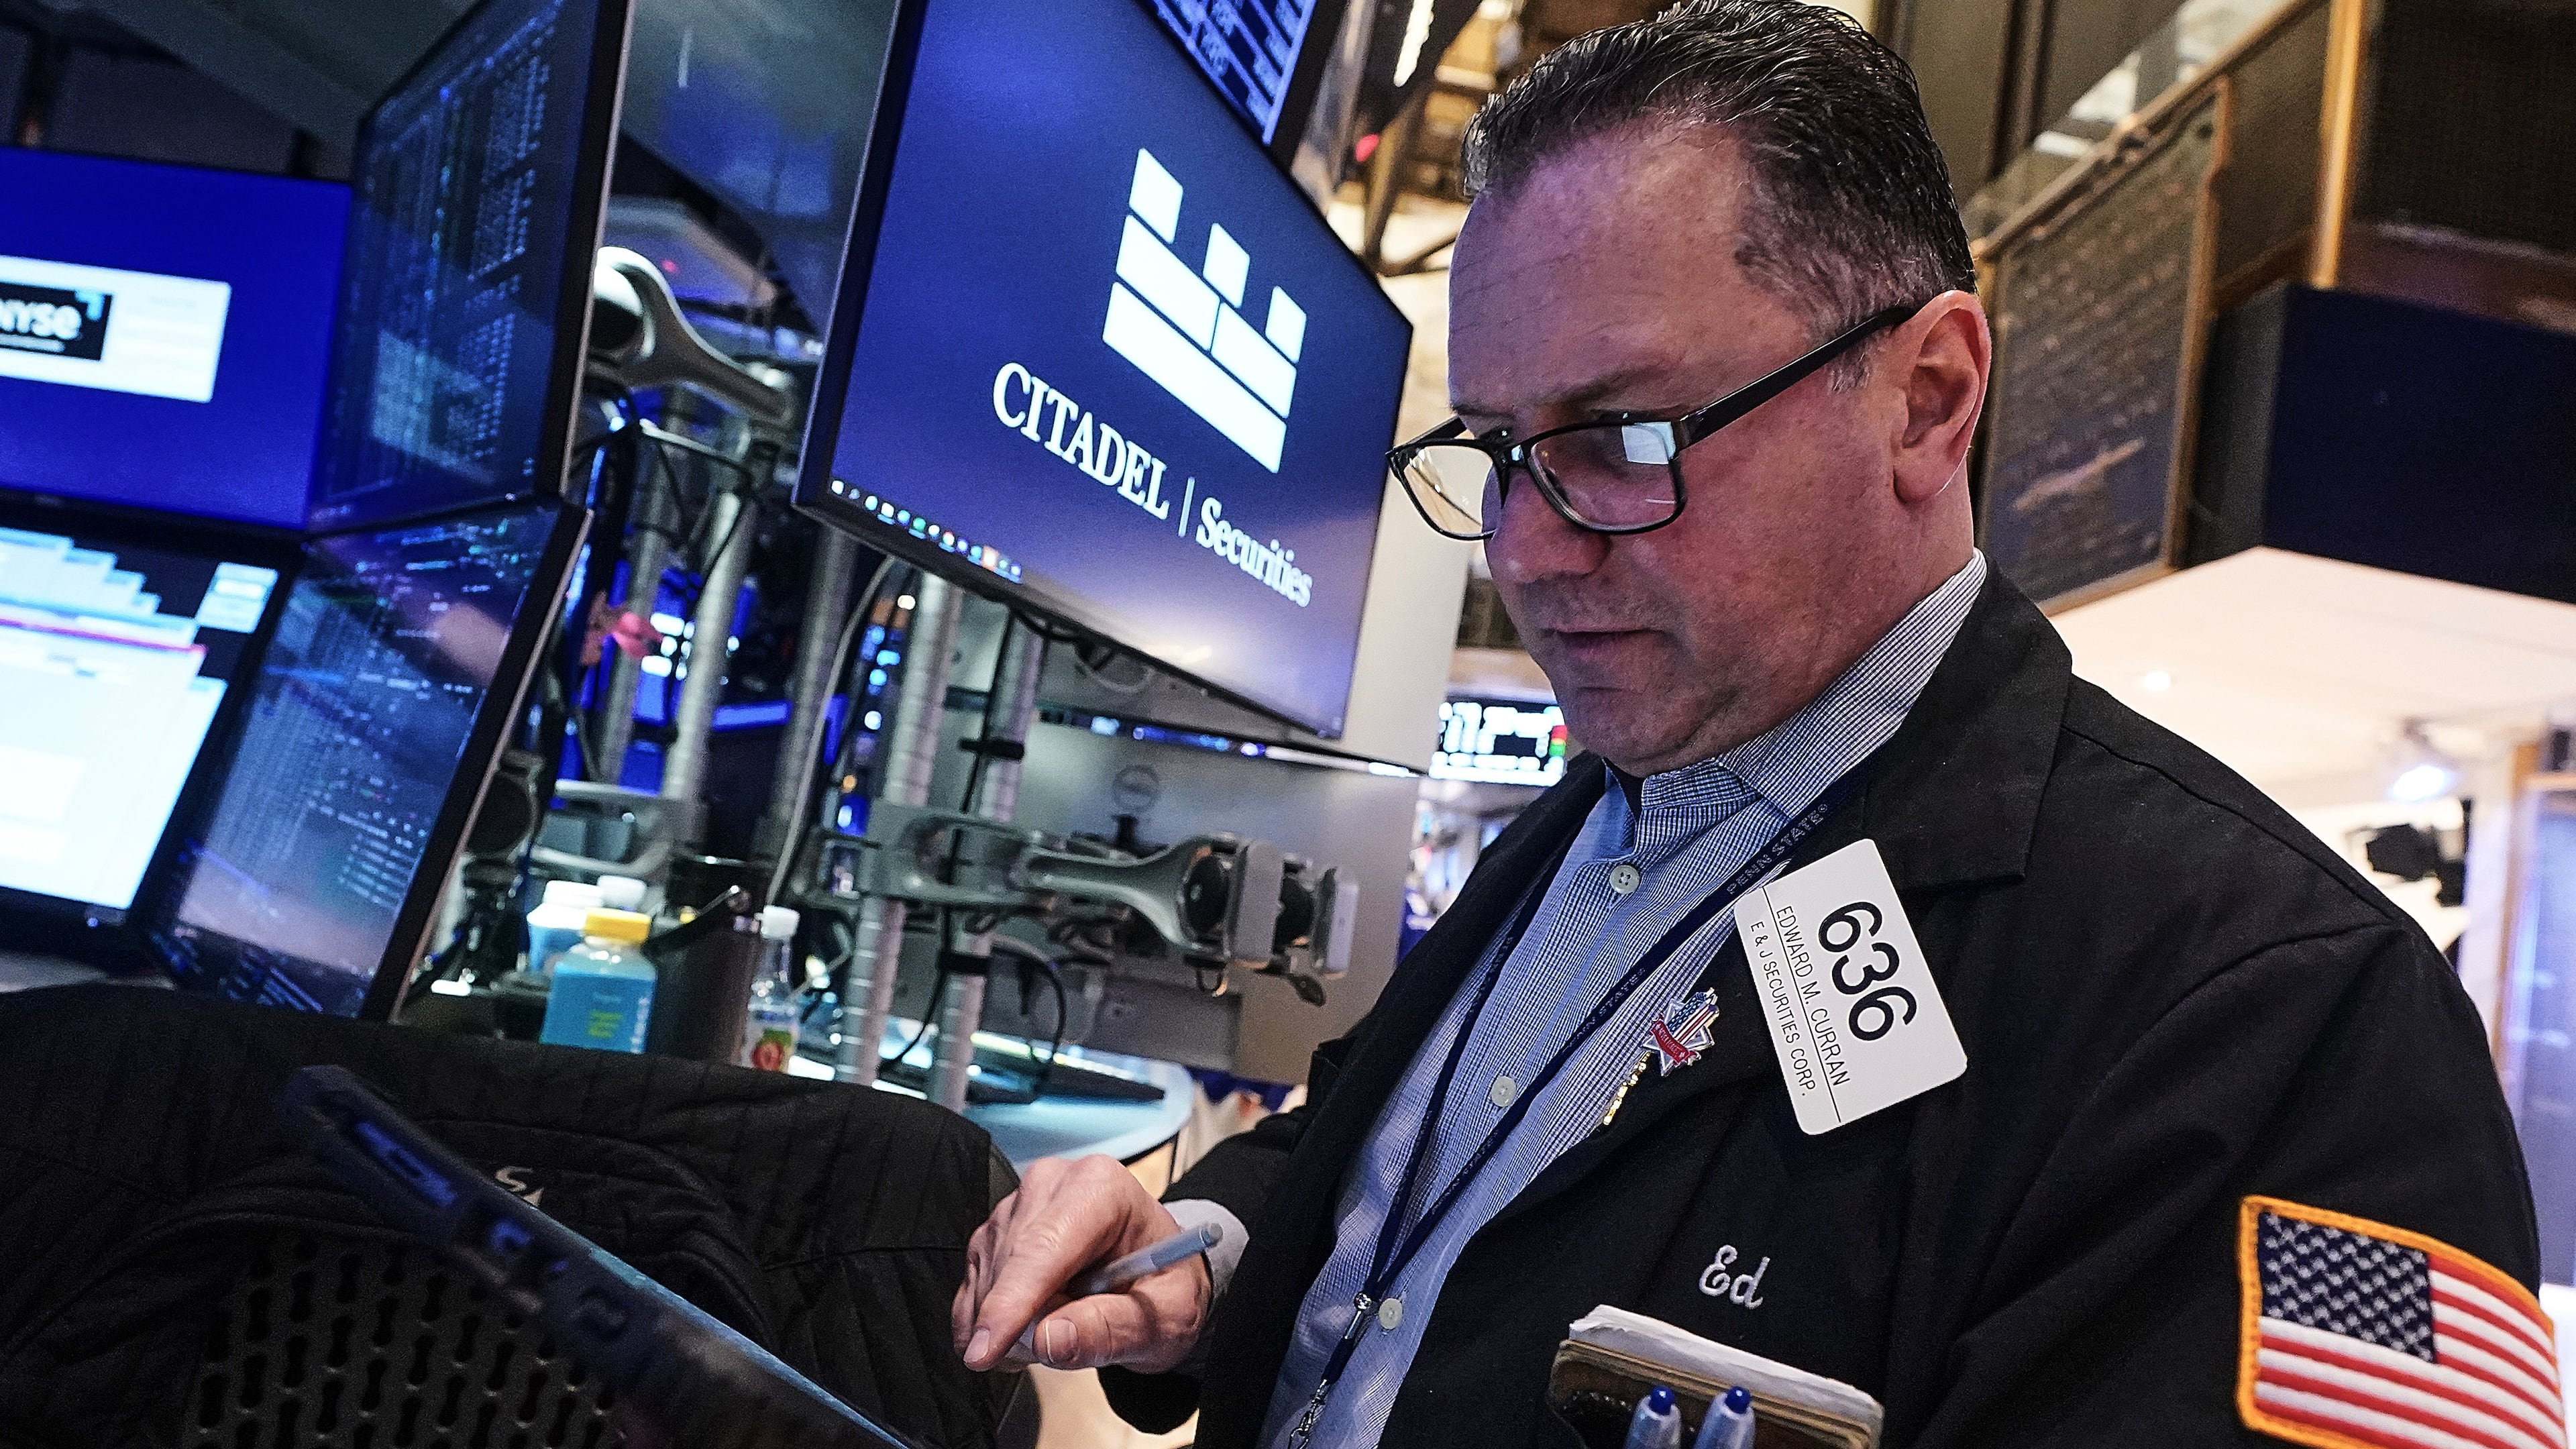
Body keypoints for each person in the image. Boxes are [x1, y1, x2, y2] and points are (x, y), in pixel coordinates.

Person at [951, 4, 2545, 1445]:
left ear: (1927, 398)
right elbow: (1420, 1158)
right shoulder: (1612, 806)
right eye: (1500, 449)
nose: (1525, 547)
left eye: (1626, 436)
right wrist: (1209, 1250)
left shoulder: (2286, 1021)